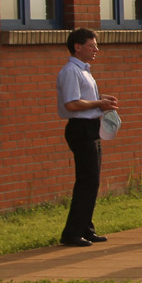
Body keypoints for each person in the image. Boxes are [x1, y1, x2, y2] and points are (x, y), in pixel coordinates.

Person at [56, 28, 118, 247]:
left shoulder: (84, 70)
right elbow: (72, 104)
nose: (96, 49)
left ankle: (86, 228)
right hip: (80, 128)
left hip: (91, 126)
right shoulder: (71, 71)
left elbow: (83, 99)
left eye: (96, 45)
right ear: (77, 47)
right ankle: (72, 233)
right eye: (92, 45)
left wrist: (100, 100)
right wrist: (98, 103)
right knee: (87, 180)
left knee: (93, 180)